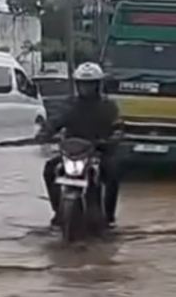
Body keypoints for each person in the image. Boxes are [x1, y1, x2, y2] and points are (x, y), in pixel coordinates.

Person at [40, 62, 123, 225]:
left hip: (98, 151)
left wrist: (114, 137)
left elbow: (117, 125)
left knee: (112, 174)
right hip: (72, 153)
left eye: (91, 84)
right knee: (49, 170)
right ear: (78, 85)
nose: (86, 88)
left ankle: (109, 217)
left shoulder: (108, 106)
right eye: (84, 84)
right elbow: (55, 120)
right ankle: (57, 211)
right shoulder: (70, 104)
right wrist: (45, 133)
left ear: (98, 85)